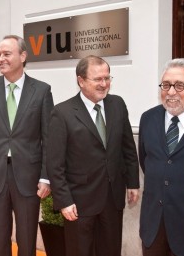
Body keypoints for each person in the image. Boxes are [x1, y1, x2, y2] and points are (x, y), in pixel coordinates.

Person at [46, 55, 140, 256]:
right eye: (98, 79)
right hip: (79, 201)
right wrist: (64, 201)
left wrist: (132, 182)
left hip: (112, 197)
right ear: (81, 80)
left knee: (110, 249)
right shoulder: (62, 113)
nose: (104, 84)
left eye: (107, 78)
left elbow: (128, 147)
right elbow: (55, 163)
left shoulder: (117, 104)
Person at [0, 34, 54, 256]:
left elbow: (49, 138)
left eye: (6, 54)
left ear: (23, 56)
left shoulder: (42, 90)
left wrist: (46, 177)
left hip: (28, 176)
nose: (0, 59)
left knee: (27, 239)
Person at [139, 58, 184, 256]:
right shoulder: (148, 118)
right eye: (166, 85)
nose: (171, 92)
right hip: (153, 227)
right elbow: (146, 162)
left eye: (180, 85)